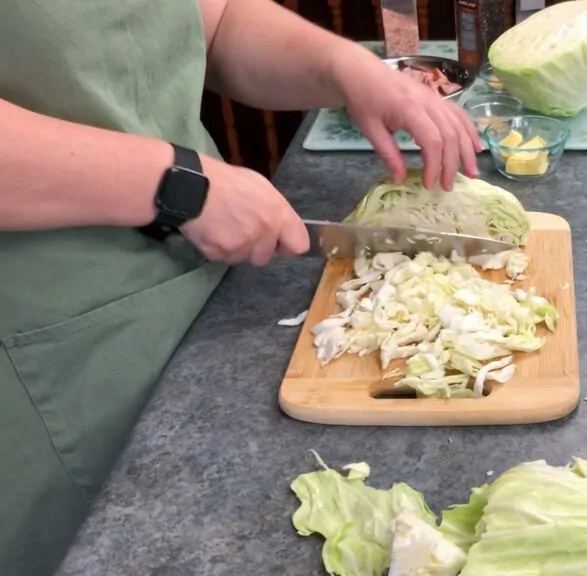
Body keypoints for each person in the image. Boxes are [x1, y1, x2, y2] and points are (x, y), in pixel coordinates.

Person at [0, 0, 481, 573]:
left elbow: (216, 19)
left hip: (205, 274)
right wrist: (169, 183)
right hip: (55, 341)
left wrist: (346, 67)